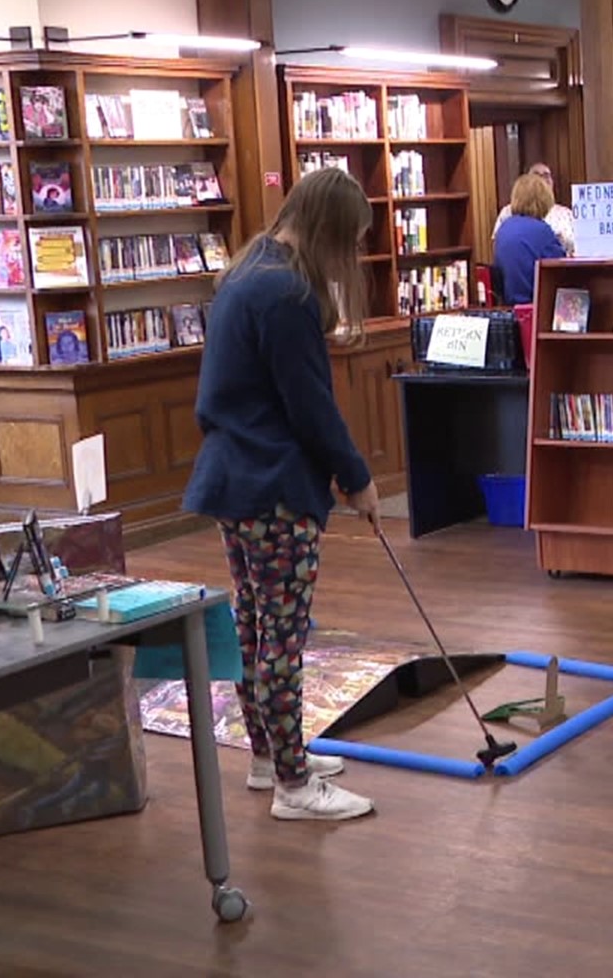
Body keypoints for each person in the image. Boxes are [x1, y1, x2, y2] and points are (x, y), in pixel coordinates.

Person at [181, 167, 380, 822]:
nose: (348, 257)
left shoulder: (248, 269)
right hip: (271, 487)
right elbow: (311, 406)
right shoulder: (285, 294)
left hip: (234, 477)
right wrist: (356, 476)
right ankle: (295, 785)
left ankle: (270, 756)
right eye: (348, 242)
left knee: (253, 623)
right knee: (283, 637)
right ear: (327, 229)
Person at [493, 172, 567, 305]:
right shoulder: (541, 231)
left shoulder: (503, 228)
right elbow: (561, 271)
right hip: (536, 308)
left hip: (509, 307)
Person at [493, 162, 578, 256]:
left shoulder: (566, 213)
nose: (542, 180)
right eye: (536, 175)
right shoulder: (508, 214)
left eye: (546, 175)